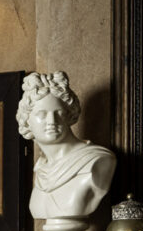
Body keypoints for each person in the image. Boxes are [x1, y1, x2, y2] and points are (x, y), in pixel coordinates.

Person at [16, 71, 115, 220]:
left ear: (69, 115)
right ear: (26, 120)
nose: (52, 121)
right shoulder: (41, 169)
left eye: (59, 113)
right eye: (42, 114)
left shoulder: (96, 161)